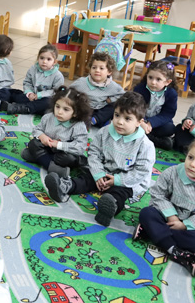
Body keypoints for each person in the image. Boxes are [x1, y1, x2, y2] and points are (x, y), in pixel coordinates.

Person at [45, 92, 155, 226]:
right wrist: (99, 174)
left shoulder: (145, 145)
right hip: (104, 171)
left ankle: (110, 207)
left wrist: (117, 180)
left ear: (139, 122)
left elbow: (141, 171)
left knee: (120, 193)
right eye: (117, 115)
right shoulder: (105, 131)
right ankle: (64, 187)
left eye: (127, 119)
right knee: (86, 178)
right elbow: (93, 152)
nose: (120, 122)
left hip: (127, 180)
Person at [133, 137, 195, 277]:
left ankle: (151, 232)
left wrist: (185, 225)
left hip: (191, 229)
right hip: (166, 218)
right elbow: (158, 194)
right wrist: (171, 216)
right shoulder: (173, 172)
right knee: (147, 213)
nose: (192, 164)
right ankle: (174, 250)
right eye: (190, 157)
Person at [20, 86, 90, 181]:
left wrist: (59, 145)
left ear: (75, 113)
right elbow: (36, 129)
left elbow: (80, 147)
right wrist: (42, 136)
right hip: (47, 148)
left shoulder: (78, 126)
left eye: (66, 109)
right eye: (57, 106)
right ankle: (53, 167)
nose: (59, 112)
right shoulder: (48, 117)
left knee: (70, 158)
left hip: (63, 153)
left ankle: (38, 157)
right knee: (33, 143)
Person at [4, 44, 65, 115]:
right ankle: (27, 107)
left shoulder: (58, 75)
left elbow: (56, 92)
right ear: (38, 58)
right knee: (16, 94)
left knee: (47, 103)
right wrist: (30, 93)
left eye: (48, 59)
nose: (44, 61)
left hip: (45, 99)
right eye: (42, 58)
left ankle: (25, 108)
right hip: (32, 98)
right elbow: (27, 82)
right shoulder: (33, 69)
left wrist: (39, 95)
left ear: (54, 62)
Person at [70, 52, 125, 127]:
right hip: (84, 108)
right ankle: (84, 121)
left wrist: (111, 100)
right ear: (90, 69)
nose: (97, 70)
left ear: (109, 72)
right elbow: (69, 92)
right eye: (94, 67)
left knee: (114, 106)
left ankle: (95, 120)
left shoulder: (112, 86)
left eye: (101, 68)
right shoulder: (81, 82)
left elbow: (123, 96)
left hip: (99, 111)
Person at [133, 60, 178, 150]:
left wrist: (151, 123)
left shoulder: (171, 94)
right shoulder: (139, 89)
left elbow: (167, 114)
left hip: (157, 124)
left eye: (158, 79)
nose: (153, 82)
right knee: (130, 123)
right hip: (140, 120)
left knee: (170, 128)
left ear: (167, 82)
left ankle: (144, 136)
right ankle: (156, 140)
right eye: (150, 77)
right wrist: (142, 123)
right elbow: (135, 108)